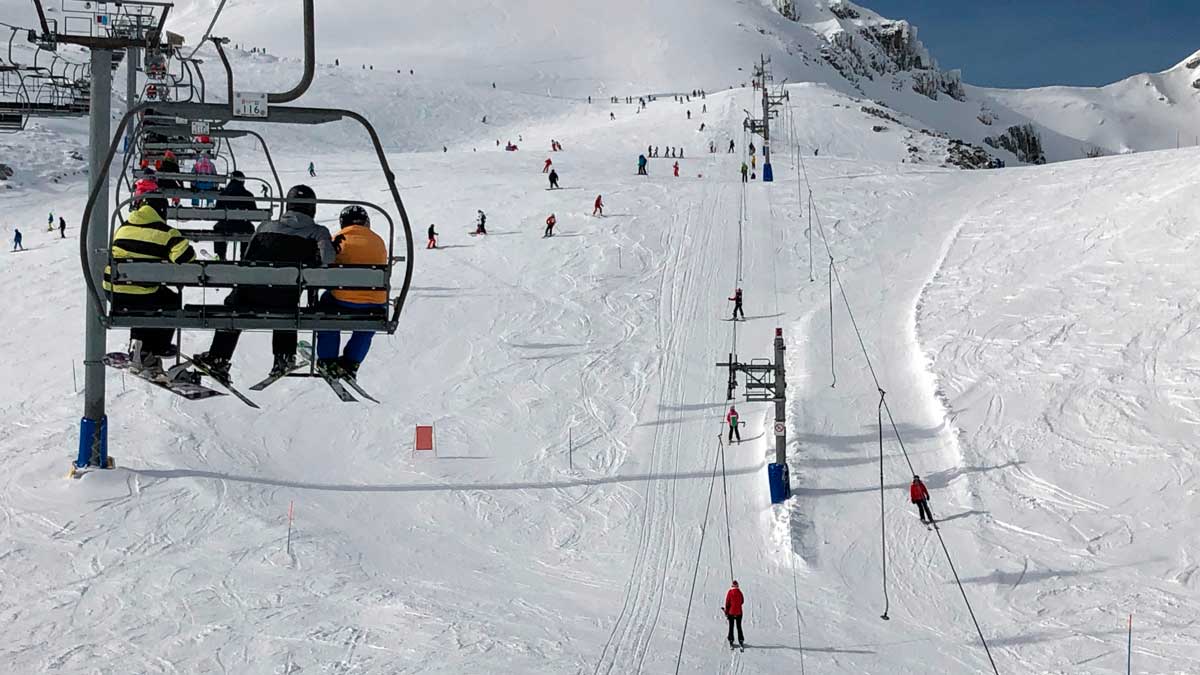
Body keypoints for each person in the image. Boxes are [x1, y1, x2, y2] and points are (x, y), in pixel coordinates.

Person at [192, 185, 335, 381]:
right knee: (286, 300)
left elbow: (247, 259)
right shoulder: (317, 232)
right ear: (312, 208)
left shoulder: (265, 227)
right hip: (284, 301)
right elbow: (328, 259)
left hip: (248, 295)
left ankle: (219, 357)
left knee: (234, 304)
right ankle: (283, 356)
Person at [104, 192, 197, 378]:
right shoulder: (165, 232)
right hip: (141, 295)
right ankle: (154, 350)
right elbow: (186, 257)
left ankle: (138, 346)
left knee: (141, 300)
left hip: (114, 293)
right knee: (168, 300)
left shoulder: (123, 228)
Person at [314, 205, 389, 379]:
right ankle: (352, 361)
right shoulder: (378, 241)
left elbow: (328, 269)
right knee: (367, 326)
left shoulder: (339, 239)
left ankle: (327, 359)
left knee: (327, 312)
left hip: (344, 300)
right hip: (376, 301)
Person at [212, 170, 258, 260]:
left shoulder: (223, 194)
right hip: (243, 226)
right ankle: (245, 256)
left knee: (217, 229)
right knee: (250, 229)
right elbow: (254, 212)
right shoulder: (248, 195)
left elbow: (217, 212)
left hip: (225, 226)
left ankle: (221, 255)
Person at [724, 581, 745, 649]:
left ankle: (731, 639)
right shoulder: (740, 592)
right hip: (739, 613)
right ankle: (741, 640)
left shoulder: (730, 592)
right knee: (739, 627)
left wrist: (726, 611)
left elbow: (727, 603)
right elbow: (742, 601)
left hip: (731, 612)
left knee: (731, 626)